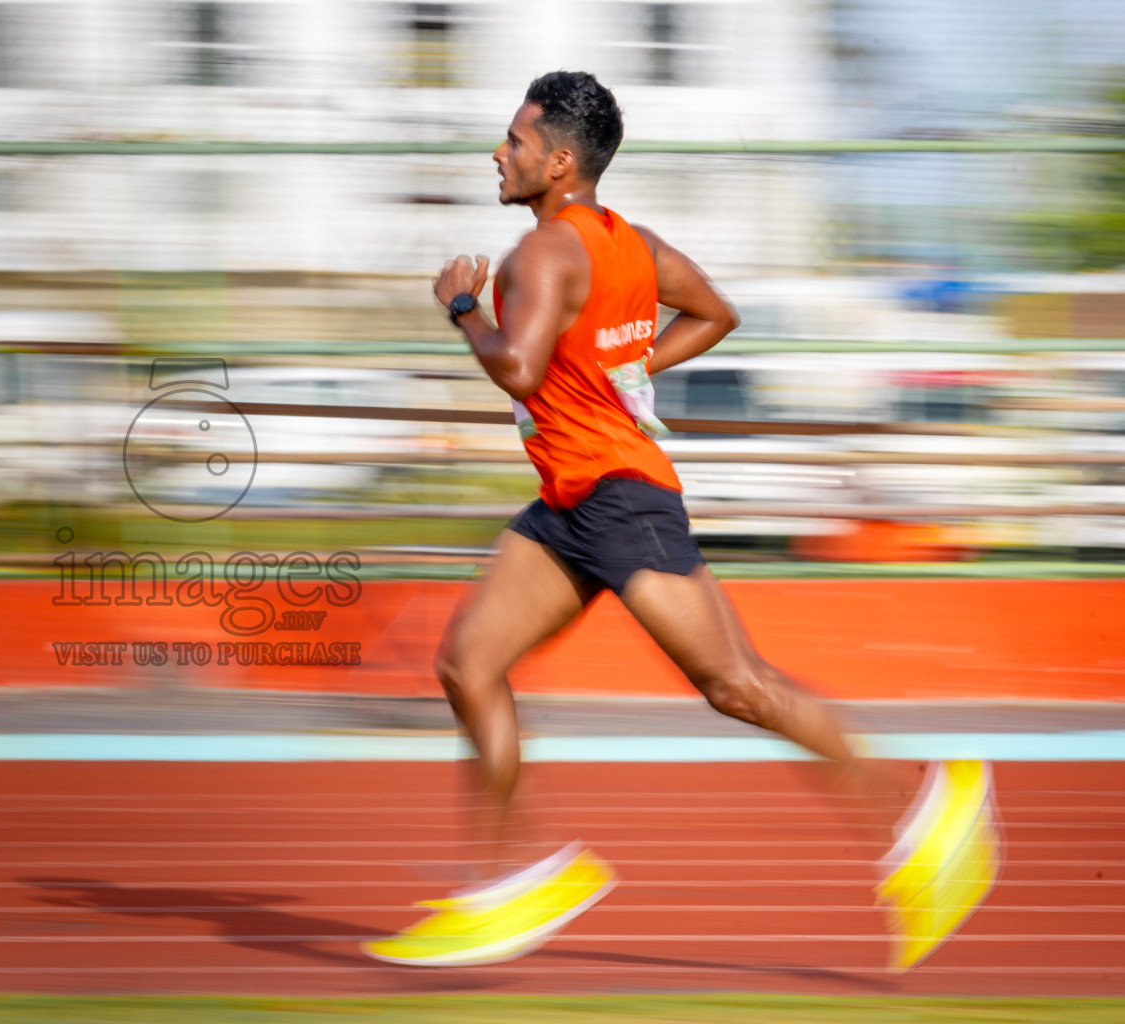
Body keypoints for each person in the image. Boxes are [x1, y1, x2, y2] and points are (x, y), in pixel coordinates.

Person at [361, 70, 998, 971]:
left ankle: (929, 804)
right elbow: (716, 313)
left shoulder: (537, 256)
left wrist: (462, 306)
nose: (496, 154)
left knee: (735, 687)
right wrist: (634, 372)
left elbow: (515, 371)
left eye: (513, 141)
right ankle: (509, 884)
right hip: (567, 505)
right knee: (467, 665)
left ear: (559, 160)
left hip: (622, 499)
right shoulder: (631, 242)